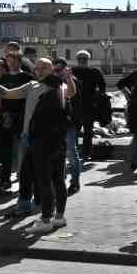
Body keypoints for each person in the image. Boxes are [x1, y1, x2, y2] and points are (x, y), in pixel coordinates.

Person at [0, 57, 77, 227]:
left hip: (48, 140)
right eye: (37, 68)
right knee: (27, 174)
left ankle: (49, 217)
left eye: (44, 67)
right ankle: (33, 207)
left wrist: (68, 78)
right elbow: (6, 93)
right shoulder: (32, 86)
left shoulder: (59, 86)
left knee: (50, 179)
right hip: (28, 137)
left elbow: (71, 93)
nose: (39, 70)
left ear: (51, 69)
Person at [0, 44, 34, 210]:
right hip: (5, 118)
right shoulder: (3, 79)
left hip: (20, 118)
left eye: (13, 59)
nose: (10, 62)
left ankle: (22, 180)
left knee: (21, 151)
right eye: (8, 60)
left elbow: (29, 99)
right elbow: (0, 98)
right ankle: (5, 179)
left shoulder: (27, 77)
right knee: (5, 150)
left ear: (19, 61)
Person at [51, 59, 82, 196]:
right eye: (54, 70)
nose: (56, 73)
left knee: (71, 153)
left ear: (65, 69)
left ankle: (74, 182)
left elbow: (78, 103)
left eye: (58, 70)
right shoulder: (51, 82)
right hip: (55, 124)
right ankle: (59, 183)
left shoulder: (73, 81)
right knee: (57, 155)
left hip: (69, 124)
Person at [70, 51, 106, 162]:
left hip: (74, 106)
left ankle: (74, 154)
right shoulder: (94, 71)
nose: (82, 60)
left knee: (75, 131)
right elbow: (102, 86)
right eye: (82, 59)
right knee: (87, 132)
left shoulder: (72, 71)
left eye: (83, 59)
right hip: (89, 106)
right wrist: (98, 98)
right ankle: (86, 154)